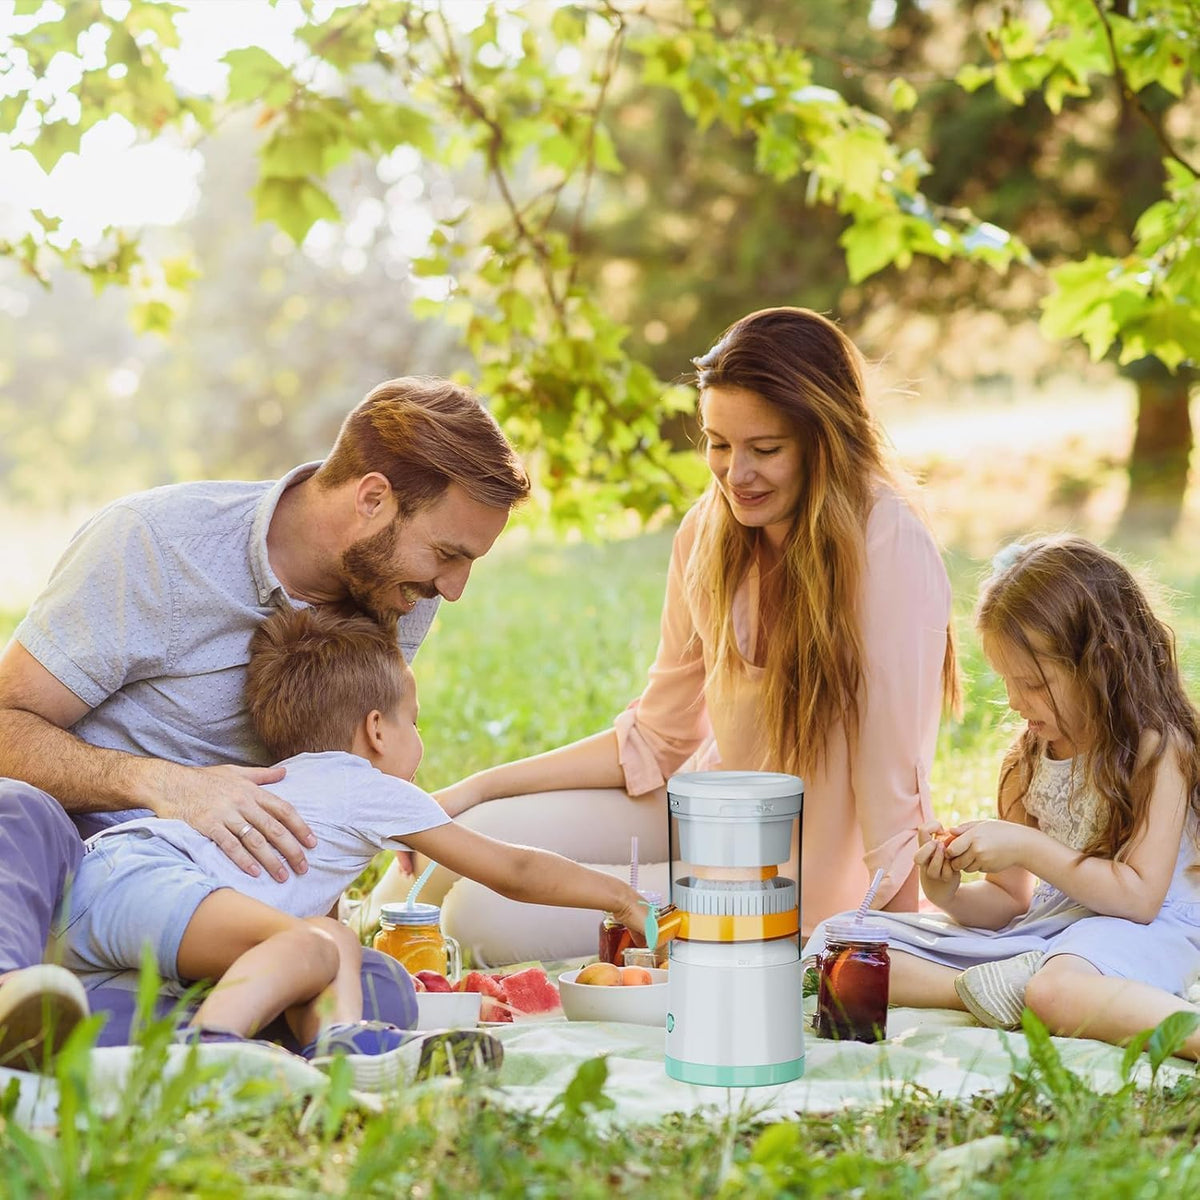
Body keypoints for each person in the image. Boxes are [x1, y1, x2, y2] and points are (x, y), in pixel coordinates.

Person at [376, 307, 958, 964]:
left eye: (765, 450)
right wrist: (476, 788)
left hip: (792, 886)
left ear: (824, 440)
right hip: (702, 813)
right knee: (462, 836)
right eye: (718, 443)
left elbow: (892, 782)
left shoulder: (887, 544)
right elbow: (657, 737)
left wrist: (890, 952)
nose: (736, 475)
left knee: (482, 920)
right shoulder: (709, 531)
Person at [0, 376, 529, 1071]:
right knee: (16, 812)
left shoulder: (399, 593)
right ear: (372, 499)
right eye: (449, 554)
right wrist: (165, 784)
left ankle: (107, 1033)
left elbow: (336, 769)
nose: (453, 588)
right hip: (77, 876)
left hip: (215, 915)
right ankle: (14, 992)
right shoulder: (155, 544)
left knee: (375, 990)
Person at [57, 606, 649, 1087]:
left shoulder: (298, 779)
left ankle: (345, 1049)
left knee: (334, 941)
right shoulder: (365, 785)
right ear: (375, 730)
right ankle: (211, 1053)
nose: (418, 743)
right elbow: (513, 869)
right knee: (311, 946)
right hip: (148, 876)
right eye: (415, 724)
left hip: (107, 890)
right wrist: (621, 898)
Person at [805, 536, 1200, 1058]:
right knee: (835, 944)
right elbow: (1009, 902)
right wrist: (946, 893)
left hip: (1145, 930)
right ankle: (998, 988)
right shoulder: (1027, 761)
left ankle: (1171, 1029)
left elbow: (1139, 900)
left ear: (1100, 664)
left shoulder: (1155, 750)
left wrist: (1027, 847)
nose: (1015, 701)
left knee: (1057, 991)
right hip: (1046, 935)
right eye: (1007, 681)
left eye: (1033, 683)